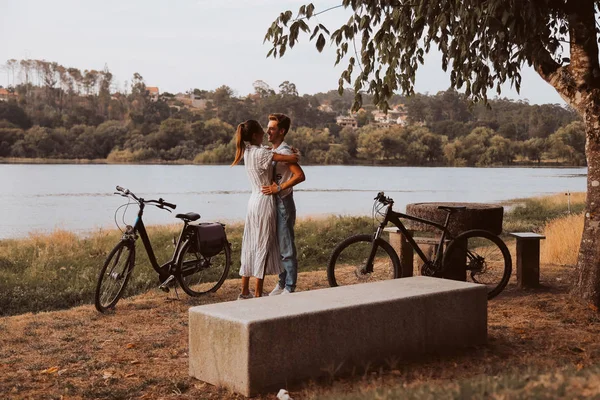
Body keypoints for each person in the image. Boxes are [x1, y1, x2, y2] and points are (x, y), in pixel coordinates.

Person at [231, 119, 299, 299]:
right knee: (262, 245)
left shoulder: (248, 151)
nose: (266, 133)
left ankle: (244, 291)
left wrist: (281, 151)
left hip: (253, 200)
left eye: (270, 129)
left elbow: (269, 153)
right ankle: (258, 293)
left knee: (249, 245)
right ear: (255, 135)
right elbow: (290, 159)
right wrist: (295, 153)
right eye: (263, 130)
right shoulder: (262, 153)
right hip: (265, 200)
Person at [262, 113, 305, 295]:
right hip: (274, 202)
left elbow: (300, 176)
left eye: (272, 128)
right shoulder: (276, 151)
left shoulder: (286, 152)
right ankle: (281, 282)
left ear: (282, 131)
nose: (268, 131)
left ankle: (290, 286)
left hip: (283, 202)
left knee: (286, 247)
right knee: (279, 246)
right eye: (268, 127)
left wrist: (279, 188)